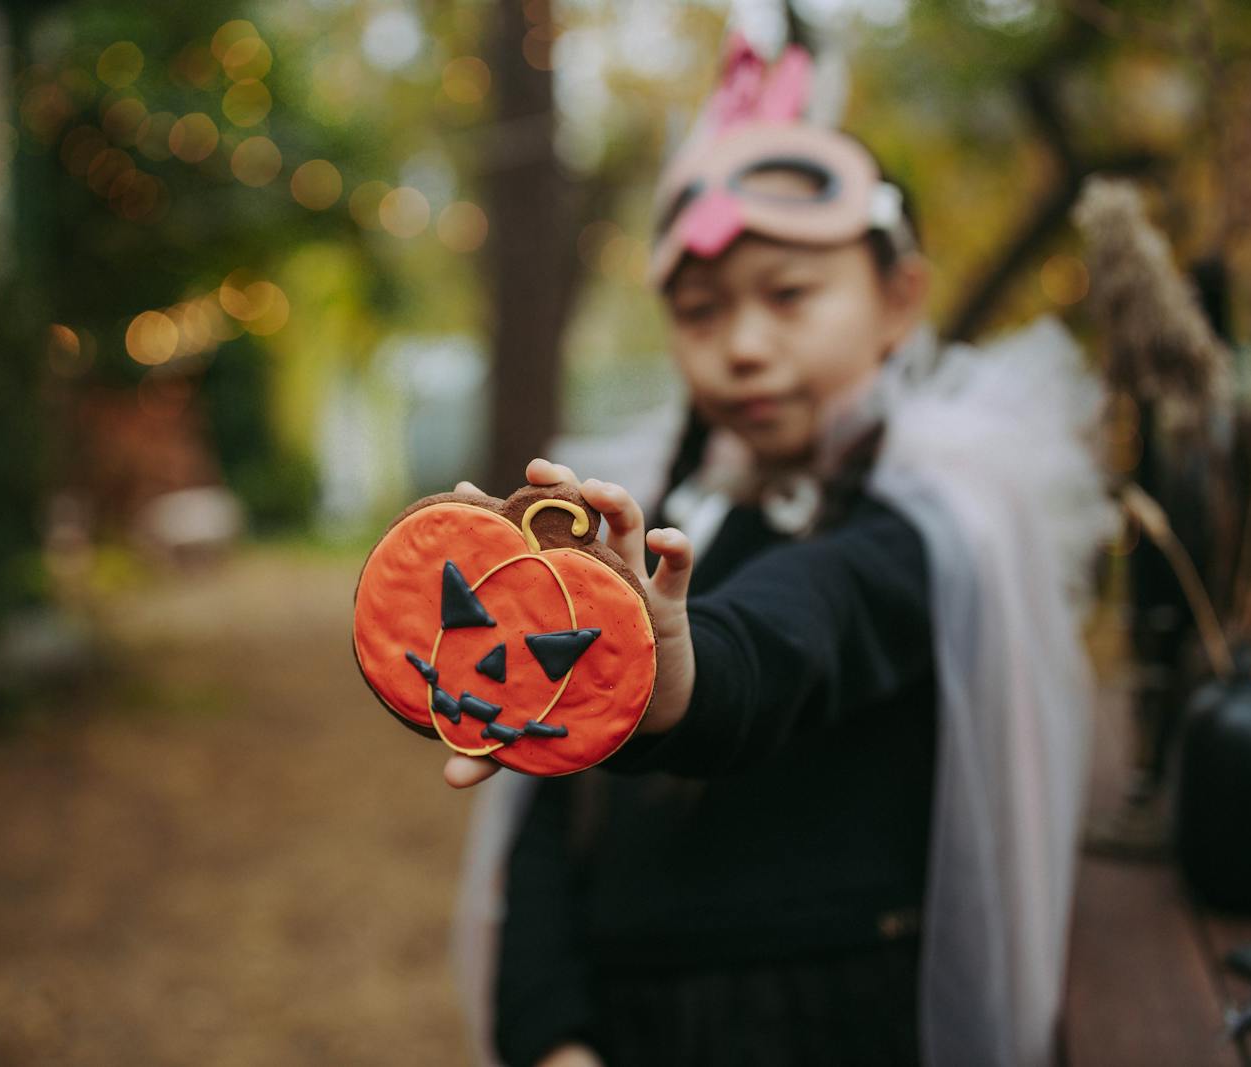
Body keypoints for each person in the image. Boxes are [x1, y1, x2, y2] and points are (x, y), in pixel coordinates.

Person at [442, 37, 1114, 1067]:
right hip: (624, 1022)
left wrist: (670, 671)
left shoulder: (930, 523)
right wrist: (549, 1028)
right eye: (701, 310)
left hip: (824, 1019)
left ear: (898, 301)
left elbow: (806, 621)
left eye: (789, 294)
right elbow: (551, 816)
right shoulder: (661, 511)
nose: (743, 343)